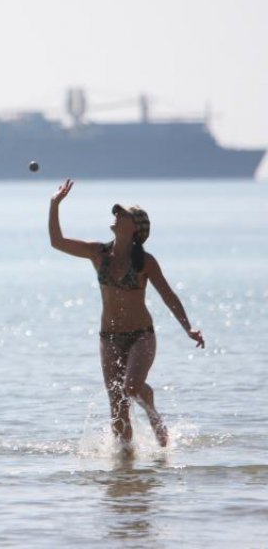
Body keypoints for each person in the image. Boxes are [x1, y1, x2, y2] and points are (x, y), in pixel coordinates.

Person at [49, 179, 204, 450]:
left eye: (123, 214)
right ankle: (125, 467)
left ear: (135, 228)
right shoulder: (98, 253)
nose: (116, 216)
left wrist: (188, 328)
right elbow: (57, 242)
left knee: (131, 388)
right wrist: (54, 204)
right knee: (116, 403)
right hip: (108, 337)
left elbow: (168, 295)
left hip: (141, 337)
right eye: (116, 213)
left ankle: (149, 403)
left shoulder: (145, 261)